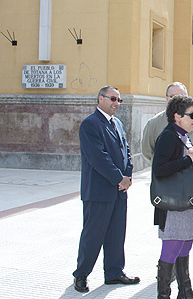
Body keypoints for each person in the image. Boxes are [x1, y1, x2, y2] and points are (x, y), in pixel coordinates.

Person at [72, 86, 139, 293]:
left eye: (119, 100)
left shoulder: (117, 123)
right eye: (113, 99)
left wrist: (127, 176)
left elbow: (126, 150)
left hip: (119, 191)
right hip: (99, 191)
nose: (116, 103)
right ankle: (81, 274)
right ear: (100, 99)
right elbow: (98, 157)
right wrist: (118, 178)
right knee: (93, 234)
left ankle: (114, 272)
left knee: (117, 234)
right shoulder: (90, 124)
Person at [153, 95, 193, 299]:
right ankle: (163, 294)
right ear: (177, 116)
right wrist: (187, 161)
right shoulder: (168, 136)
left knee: (186, 242)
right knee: (172, 245)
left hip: (186, 199)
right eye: (192, 115)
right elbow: (159, 169)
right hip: (173, 203)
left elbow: (187, 165)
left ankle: (185, 290)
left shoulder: (182, 134)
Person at [142, 82, 193, 189]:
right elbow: (147, 151)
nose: (177, 100)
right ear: (166, 98)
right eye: (173, 97)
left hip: (192, 181)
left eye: (181, 97)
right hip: (168, 185)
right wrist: (169, 166)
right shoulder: (154, 123)